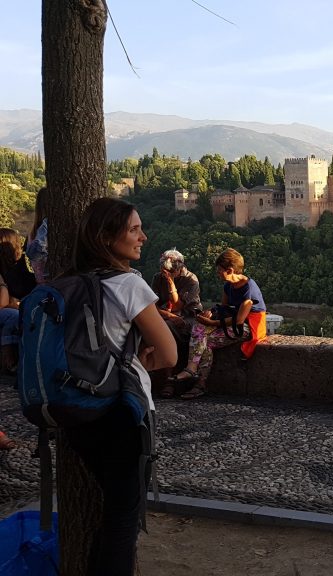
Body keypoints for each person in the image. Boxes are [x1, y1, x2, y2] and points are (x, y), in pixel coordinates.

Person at [66, 197, 177, 574]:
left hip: (76, 411)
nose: (143, 237)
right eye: (133, 229)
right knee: (121, 523)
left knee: (113, 514)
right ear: (106, 237)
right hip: (120, 413)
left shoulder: (68, 282)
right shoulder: (129, 284)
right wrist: (142, 360)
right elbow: (170, 354)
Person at [171, 248, 267, 400]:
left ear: (230, 270)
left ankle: (192, 370)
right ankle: (199, 383)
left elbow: (240, 320)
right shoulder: (228, 286)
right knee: (203, 338)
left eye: (219, 271)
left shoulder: (249, 289)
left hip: (249, 326)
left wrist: (213, 322)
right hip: (233, 322)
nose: (217, 273)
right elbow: (225, 309)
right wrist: (211, 312)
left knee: (202, 334)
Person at [151, 249, 203, 397]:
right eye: (164, 271)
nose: (166, 273)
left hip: (187, 317)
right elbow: (152, 303)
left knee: (166, 329)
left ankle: (169, 382)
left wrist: (170, 282)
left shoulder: (190, 279)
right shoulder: (157, 277)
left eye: (170, 271)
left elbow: (178, 306)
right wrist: (166, 314)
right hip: (166, 316)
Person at [0, 228, 36, 372]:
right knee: (14, 317)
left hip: (17, 305)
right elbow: (2, 303)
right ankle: (9, 361)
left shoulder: (18, 267)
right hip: (9, 310)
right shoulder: (4, 273)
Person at [25, 186, 49, 284]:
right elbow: (35, 255)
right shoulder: (46, 226)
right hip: (51, 283)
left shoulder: (32, 232)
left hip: (40, 283)